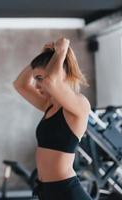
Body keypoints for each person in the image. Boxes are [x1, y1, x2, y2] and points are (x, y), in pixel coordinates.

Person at [13, 37, 93, 200]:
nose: (36, 85)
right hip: (46, 192)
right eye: (36, 79)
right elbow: (19, 84)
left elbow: (51, 81)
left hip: (67, 192)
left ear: (62, 74)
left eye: (40, 79)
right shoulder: (49, 105)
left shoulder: (79, 105)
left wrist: (62, 50)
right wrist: (43, 58)